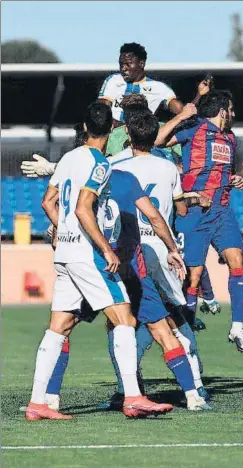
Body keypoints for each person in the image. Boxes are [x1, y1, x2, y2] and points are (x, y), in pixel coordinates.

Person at [25, 102, 173, 420]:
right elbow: (83, 208)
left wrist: (59, 233)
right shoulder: (99, 164)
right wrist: (105, 248)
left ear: (84, 126)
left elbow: (48, 201)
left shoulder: (69, 158)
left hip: (65, 253)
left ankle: (38, 403)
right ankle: (133, 397)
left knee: (59, 327)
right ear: (113, 130)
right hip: (84, 254)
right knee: (125, 319)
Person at [106, 110, 211, 410]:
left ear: (127, 136)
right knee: (174, 320)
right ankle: (195, 389)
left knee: (118, 323)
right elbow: (175, 212)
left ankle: (126, 388)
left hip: (124, 252)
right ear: (155, 138)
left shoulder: (114, 166)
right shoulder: (168, 168)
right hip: (160, 249)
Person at [157, 90, 243, 353]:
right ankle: (185, 333)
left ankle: (237, 327)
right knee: (193, 275)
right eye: (231, 110)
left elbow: (228, 172)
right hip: (195, 212)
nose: (233, 115)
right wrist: (181, 117)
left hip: (222, 211)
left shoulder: (230, 139)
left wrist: (237, 179)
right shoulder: (194, 129)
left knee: (237, 261)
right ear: (223, 111)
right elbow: (157, 140)